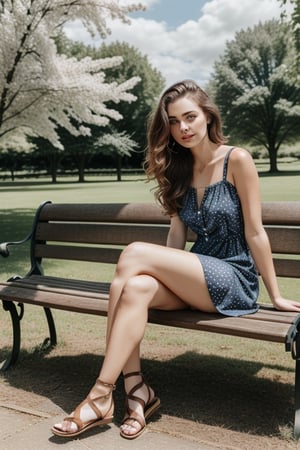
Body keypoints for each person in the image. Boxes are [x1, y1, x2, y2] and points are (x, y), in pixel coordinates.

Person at [51, 79, 300, 440]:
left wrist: (275, 295)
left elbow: (255, 232)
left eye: (190, 117)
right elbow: (176, 239)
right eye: (173, 120)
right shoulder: (178, 169)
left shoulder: (237, 159)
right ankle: (137, 393)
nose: (183, 127)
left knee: (133, 253)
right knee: (137, 288)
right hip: (198, 277)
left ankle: (101, 393)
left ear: (207, 116)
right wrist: (167, 277)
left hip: (234, 279)